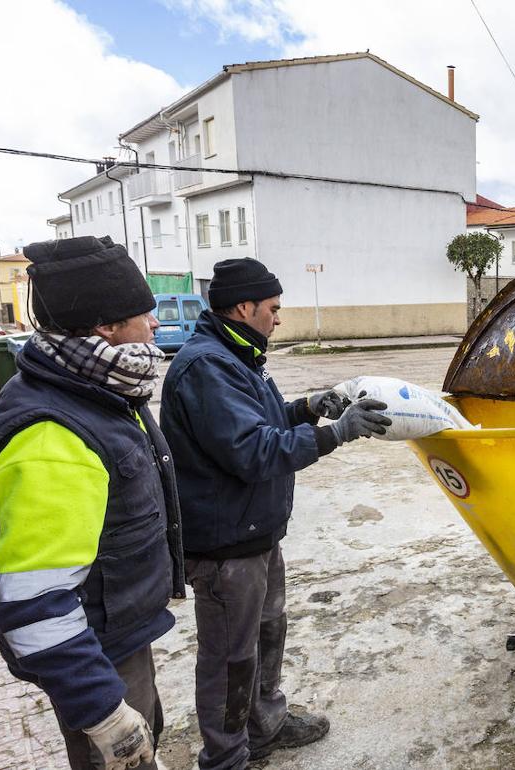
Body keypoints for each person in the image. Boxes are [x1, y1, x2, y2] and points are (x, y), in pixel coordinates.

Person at [160, 258, 389, 769]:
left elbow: (261, 420)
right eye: (273, 308)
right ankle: (226, 758)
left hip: (255, 533)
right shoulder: (207, 366)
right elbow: (252, 450)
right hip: (225, 549)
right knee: (229, 659)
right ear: (245, 307)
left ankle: (265, 725)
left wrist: (309, 407)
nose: (278, 319)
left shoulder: (236, 356)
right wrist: (337, 433)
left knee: (267, 633)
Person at [0, 236, 183, 770]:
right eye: (144, 315)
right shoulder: (52, 436)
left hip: (118, 632)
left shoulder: (95, 387)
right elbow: (36, 605)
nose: (154, 327)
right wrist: (103, 712)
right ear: (105, 327)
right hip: (96, 653)